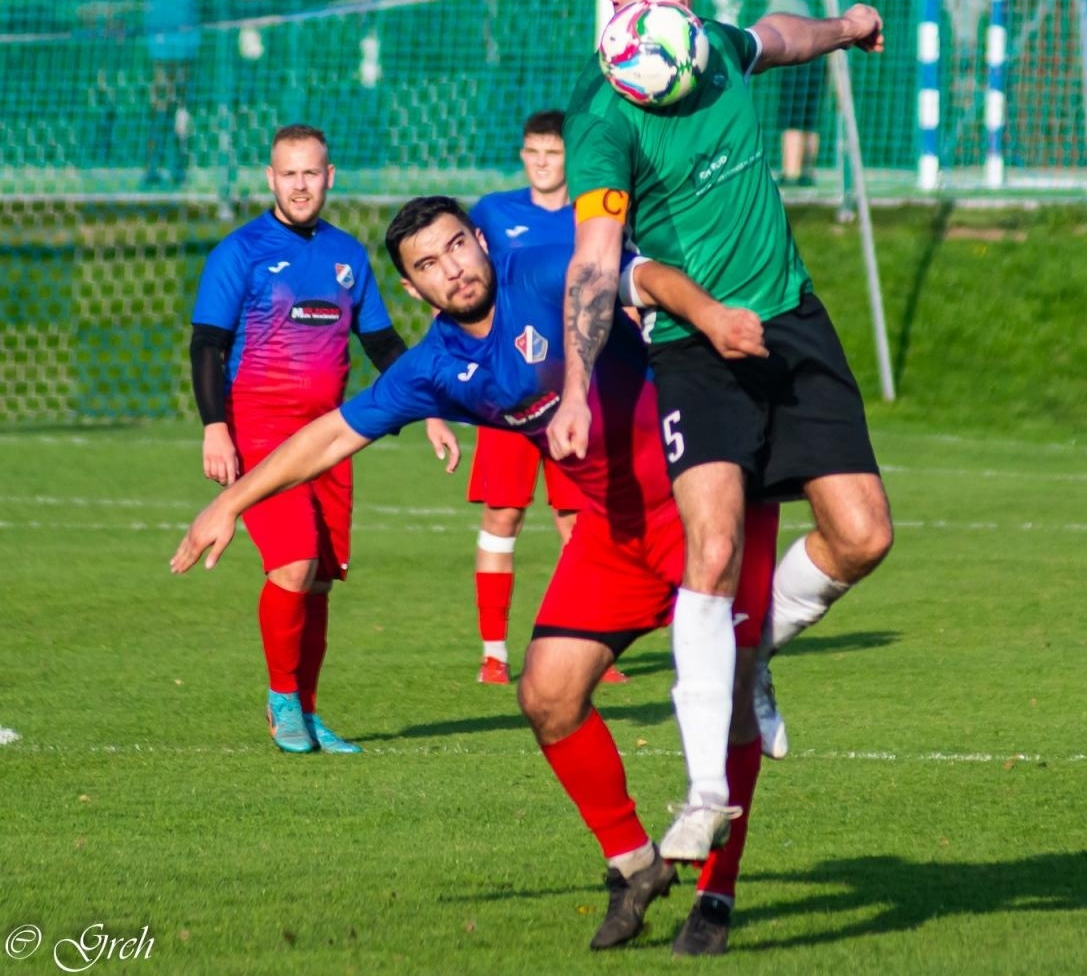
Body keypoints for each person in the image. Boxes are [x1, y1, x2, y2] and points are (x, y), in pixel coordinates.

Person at [173, 196, 775, 955]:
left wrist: (715, 317)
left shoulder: (550, 271)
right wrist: (231, 501)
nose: (452, 268)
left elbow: (649, 279)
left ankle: (715, 899)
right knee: (547, 695)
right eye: (428, 264)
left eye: (457, 246)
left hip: (707, 502)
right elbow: (333, 433)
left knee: (733, 707)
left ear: (482, 242)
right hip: (614, 534)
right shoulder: (435, 368)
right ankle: (634, 863)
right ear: (414, 290)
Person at [550, 0, 895, 861]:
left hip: (789, 317)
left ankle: (752, 661)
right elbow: (593, 265)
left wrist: (847, 22)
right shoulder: (603, 114)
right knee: (710, 545)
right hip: (693, 346)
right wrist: (576, 387)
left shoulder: (710, 51)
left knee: (864, 534)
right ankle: (705, 792)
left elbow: (778, 37)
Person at [188, 125, 458, 755]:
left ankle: (307, 712)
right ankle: (281, 701)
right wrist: (214, 426)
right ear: (271, 179)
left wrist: (434, 412)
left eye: (312, 173)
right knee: (293, 562)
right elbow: (208, 344)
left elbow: (384, 345)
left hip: (333, 437)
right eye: (289, 174)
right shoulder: (241, 251)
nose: (301, 185)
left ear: (329, 177)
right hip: (259, 429)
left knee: (320, 579)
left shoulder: (348, 256)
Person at [464, 110, 623, 685]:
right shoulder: (491, 214)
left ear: (570, 158)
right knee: (502, 512)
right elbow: (453, 295)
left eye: (551, 153)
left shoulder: (595, 216)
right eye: (532, 151)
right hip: (506, 393)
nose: (540, 162)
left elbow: (617, 293)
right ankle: (493, 654)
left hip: (576, 394)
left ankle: (592, 645)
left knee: (578, 523)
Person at [753, 0, 825, 186]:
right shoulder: (794, 1)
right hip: (813, 64)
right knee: (807, 119)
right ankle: (807, 171)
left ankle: (791, 172)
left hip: (797, 67)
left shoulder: (781, 5)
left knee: (792, 117)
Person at [139, 0, 200, 188]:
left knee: (180, 115)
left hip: (185, 62)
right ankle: (152, 169)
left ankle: (179, 170)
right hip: (161, 63)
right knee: (159, 113)